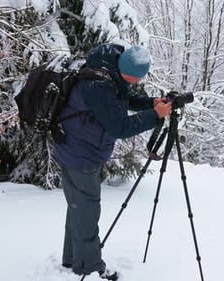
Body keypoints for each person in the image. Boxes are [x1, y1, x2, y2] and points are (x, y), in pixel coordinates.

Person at [53, 43, 171, 280]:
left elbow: (124, 99)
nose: (136, 83)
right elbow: (120, 126)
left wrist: (152, 102)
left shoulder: (111, 71)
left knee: (79, 206)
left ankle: (73, 259)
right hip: (79, 153)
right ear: (125, 71)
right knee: (86, 209)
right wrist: (155, 116)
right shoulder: (98, 87)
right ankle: (88, 267)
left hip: (76, 148)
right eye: (135, 79)